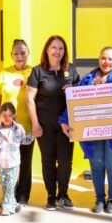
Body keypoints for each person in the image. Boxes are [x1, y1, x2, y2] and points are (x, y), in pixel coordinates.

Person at [60, 47, 112, 214]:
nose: (106, 62)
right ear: (99, 59)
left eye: (110, 59)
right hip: (93, 131)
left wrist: (104, 87)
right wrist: (64, 120)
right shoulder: (88, 78)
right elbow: (76, 101)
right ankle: (100, 199)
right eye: (103, 58)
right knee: (97, 164)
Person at [26, 35, 80, 211]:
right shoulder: (38, 71)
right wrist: (35, 123)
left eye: (61, 48)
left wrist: (73, 89)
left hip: (66, 125)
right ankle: (50, 195)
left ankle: (63, 194)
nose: (57, 51)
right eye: (54, 47)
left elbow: (81, 93)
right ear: (47, 50)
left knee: (65, 161)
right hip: (44, 125)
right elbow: (29, 99)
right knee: (48, 160)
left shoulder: (71, 70)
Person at [0, 39, 34, 208]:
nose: (19, 56)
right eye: (16, 53)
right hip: (6, 128)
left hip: (27, 126)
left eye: (23, 52)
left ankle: (22, 197)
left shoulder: (34, 72)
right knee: (7, 163)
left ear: (28, 54)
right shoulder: (3, 74)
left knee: (24, 163)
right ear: (11, 55)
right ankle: (10, 196)